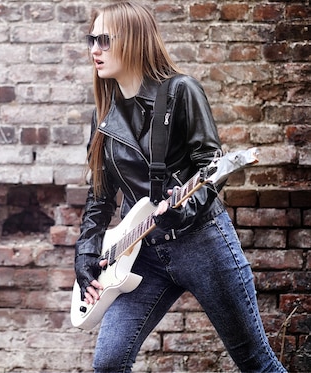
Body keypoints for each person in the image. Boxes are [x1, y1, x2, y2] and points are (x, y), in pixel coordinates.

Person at [73, 2, 287, 372]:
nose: (95, 49)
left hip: (203, 244)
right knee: (108, 363)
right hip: (142, 253)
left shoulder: (181, 91)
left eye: (104, 40)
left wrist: (183, 209)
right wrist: (87, 251)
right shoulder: (103, 113)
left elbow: (210, 166)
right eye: (92, 39)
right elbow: (100, 195)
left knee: (256, 363)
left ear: (134, 40)